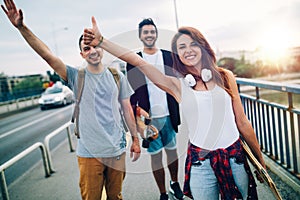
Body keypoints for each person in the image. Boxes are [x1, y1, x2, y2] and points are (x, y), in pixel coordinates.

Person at [82, 16, 267, 200]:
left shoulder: (225, 77)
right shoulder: (179, 85)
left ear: (203, 46)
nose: (188, 50)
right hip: (201, 164)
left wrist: (260, 161)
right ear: (177, 54)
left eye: (193, 44)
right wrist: (102, 42)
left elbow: (242, 122)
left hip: (235, 158)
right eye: (182, 47)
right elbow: (138, 62)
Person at [1, 1, 141, 200]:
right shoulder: (76, 76)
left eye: (95, 46)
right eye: (87, 48)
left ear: (101, 48)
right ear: (82, 53)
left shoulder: (117, 76)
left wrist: (135, 140)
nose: (92, 50)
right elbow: (47, 55)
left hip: (116, 151)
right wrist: (22, 27)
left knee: (116, 197)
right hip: (89, 154)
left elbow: (127, 110)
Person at [126, 18, 183, 200]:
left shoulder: (168, 56)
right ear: (140, 36)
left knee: (172, 152)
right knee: (156, 157)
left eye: (152, 31)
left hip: (169, 114)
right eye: (145, 32)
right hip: (149, 118)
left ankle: (175, 184)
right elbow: (133, 91)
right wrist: (137, 120)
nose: (149, 35)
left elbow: (179, 81)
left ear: (156, 34)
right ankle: (163, 193)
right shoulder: (134, 60)